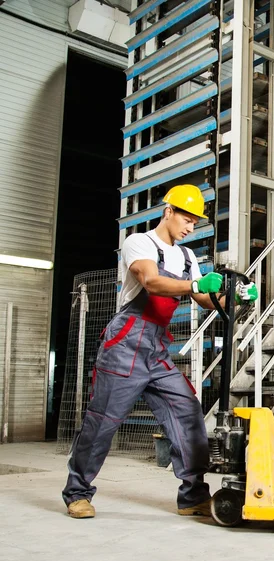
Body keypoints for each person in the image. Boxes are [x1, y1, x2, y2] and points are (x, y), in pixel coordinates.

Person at [62, 184, 258, 519]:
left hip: (156, 349)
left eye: (195, 221)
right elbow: (151, 281)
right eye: (186, 217)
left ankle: (193, 495)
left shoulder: (186, 257)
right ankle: (77, 493)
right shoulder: (139, 242)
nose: (190, 226)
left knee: (187, 412)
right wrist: (196, 284)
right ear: (168, 211)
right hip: (125, 343)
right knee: (103, 421)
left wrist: (237, 296)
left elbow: (204, 299)